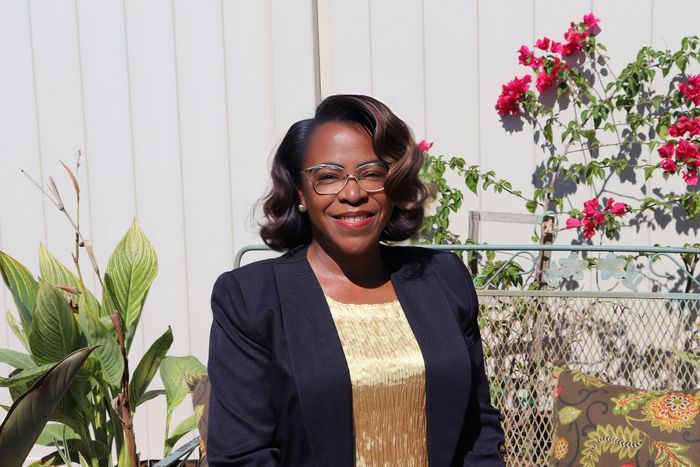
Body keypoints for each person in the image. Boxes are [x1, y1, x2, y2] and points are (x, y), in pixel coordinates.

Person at [208, 94, 505, 466]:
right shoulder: (250, 300)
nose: (353, 193)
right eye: (328, 177)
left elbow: (477, 428)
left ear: (393, 185)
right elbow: (241, 456)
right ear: (300, 192)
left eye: (371, 174)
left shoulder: (442, 279)